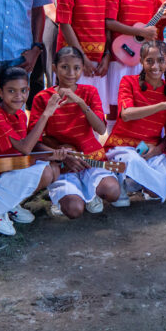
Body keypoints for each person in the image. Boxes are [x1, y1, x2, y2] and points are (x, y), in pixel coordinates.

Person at [0, 67, 66, 236]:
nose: (18, 96)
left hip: (1, 171)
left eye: (23, 90)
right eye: (11, 91)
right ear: (0, 92)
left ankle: (9, 204)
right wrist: (46, 114)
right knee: (46, 172)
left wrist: (56, 154)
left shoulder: (20, 115)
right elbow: (26, 148)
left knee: (53, 168)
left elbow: (24, 151)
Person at [33, 47, 116, 220]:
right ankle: (71, 195)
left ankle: (89, 192)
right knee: (74, 210)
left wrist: (79, 101)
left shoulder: (89, 92)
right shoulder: (42, 97)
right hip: (62, 161)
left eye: (77, 68)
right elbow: (35, 141)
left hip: (90, 158)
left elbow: (101, 129)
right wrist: (62, 157)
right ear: (54, 68)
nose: (71, 73)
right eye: (64, 67)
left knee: (113, 191)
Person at [106, 41, 166, 204]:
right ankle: (122, 180)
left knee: (156, 192)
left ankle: (134, 182)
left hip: (151, 149)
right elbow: (126, 115)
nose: (155, 66)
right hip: (122, 147)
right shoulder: (128, 81)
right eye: (149, 60)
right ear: (141, 62)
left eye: (161, 60)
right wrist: (163, 105)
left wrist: (158, 150)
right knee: (133, 161)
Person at [104, 0, 165, 111]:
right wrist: (139, 32)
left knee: (141, 99)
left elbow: (152, 26)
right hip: (121, 54)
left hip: (143, 57)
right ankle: (112, 134)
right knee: (116, 101)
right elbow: (109, 22)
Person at [55, 0, 112, 100]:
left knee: (94, 111)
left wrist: (107, 55)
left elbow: (107, 26)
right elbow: (65, 24)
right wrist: (82, 59)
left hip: (97, 63)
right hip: (73, 60)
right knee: (70, 108)